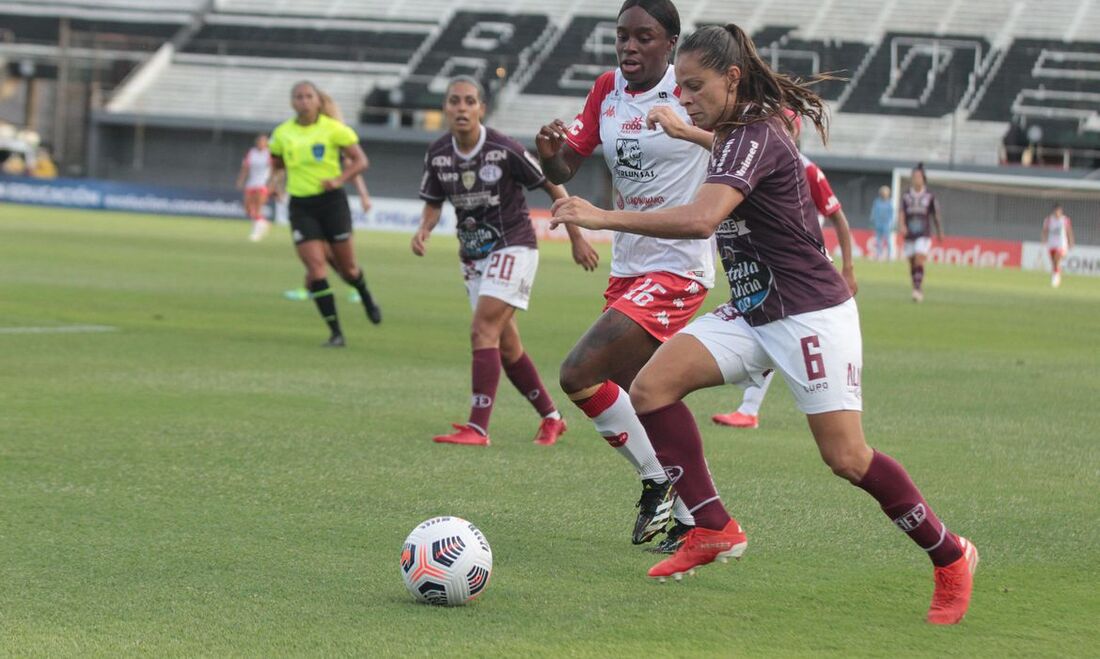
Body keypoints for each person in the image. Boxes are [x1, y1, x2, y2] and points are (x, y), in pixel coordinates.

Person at [550, 23, 977, 625]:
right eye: (680, 88)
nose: (683, 97)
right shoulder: (733, 130)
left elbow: (703, 220)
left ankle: (950, 555)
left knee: (847, 458)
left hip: (809, 313)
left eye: (693, 88)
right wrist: (689, 130)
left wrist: (602, 217)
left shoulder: (754, 131)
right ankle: (714, 526)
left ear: (730, 79)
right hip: (755, 307)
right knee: (650, 387)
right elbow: (728, 152)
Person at [536, 0, 715, 551]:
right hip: (629, 267)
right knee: (649, 396)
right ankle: (693, 515)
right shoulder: (607, 89)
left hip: (679, 266)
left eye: (644, 37)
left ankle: (658, 481)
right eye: (623, 37)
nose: (630, 47)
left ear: (671, 43)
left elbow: (749, 146)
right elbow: (570, 163)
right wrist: (551, 158)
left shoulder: (691, 95)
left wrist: (687, 132)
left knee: (577, 372)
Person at [414, 76, 599, 447]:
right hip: (473, 257)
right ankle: (551, 417)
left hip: (513, 247)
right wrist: (425, 229)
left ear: (481, 108)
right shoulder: (438, 153)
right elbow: (434, 201)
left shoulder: (503, 148)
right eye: (454, 101)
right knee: (506, 346)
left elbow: (550, 182)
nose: (462, 108)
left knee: (482, 329)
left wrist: (576, 236)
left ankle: (478, 428)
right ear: (446, 108)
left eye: (469, 101)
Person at [712, 111, 858, 430]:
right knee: (770, 333)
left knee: (778, 334)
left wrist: (848, 268)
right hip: (772, 269)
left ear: (794, 131)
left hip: (806, 272)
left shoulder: (806, 168)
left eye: (784, 125)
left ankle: (757, 408)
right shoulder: (750, 157)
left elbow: (838, 217)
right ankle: (749, 409)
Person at [269, 80, 382, 346]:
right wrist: (275, 184)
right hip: (301, 206)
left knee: (348, 269)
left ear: (318, 101)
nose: (304, 101)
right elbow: (277, 163)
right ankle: (335, 333)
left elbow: (361, 161)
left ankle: (365, 295)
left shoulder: (334, 130)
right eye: (298, 97)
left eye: (309, 96)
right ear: (291, 102)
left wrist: (339, 179)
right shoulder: (282, 133)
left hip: (332, 204)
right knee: (316, 267)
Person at [898, 164, 944, 302]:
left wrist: (939, 231)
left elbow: (936, 214)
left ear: (923, 178)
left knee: (919, 258)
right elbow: (901, 213)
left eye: (919, 177)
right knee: (912, 262)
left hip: (924, 233)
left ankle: (917, 289)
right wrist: (902, 226)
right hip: (910, 234)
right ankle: (916, 286)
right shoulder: (906, 196)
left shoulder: (929, 196)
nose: (916, 179)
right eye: (914, 177)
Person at [237, 135, 274, 242]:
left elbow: (274, 170)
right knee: (247, 208)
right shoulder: (252, 152)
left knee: (258, 208)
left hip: (263, 184)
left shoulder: (269, 154)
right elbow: (246, 167)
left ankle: (256, 233)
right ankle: (263, 223)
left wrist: (272, 184)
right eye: (259, 141)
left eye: (264, 142)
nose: (261, 144)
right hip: (251, 183)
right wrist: (241, 180)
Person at [1041, 202, 1074, 288]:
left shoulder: (1065, 220)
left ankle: (1055, 278)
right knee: (1054, 262)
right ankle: (1056, 275)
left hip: (1062, 244)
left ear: (1061, 211)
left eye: (1058, 211)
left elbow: (1069, 231)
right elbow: (1045, 230)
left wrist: (1071, 242)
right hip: (1051, 244)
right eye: (1056, 211)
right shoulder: (1048, 220)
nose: (1057, 212)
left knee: (1057, 258)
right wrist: (1044, 240)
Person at [870, 185, 894, 261]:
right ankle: (879, 255)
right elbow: (874, 212)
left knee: (888, 240)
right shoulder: (877, 202)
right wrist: (872, 220)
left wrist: (891, 223)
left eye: (885, 193)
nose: (884, 194)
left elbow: (892, 214)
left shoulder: (890, 203)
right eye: (883, 193)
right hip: (878, 223)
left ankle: (889, 256)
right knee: (878, 240)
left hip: (886, 224)